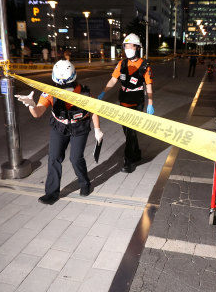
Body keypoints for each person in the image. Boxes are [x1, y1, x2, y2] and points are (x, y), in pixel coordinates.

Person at [15, 60, 103, 205]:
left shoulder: (84, 92)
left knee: (75, 158)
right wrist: (31, 105)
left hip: (79, 127)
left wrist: (98, 130)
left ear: (74, 79)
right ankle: (51, 193)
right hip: (59, 127)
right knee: (54, 158)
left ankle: (85, 183)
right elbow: (38, 113)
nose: (62, 87)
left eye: (66, 85)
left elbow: (94, 111)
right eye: (59, 84)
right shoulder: (50, 92)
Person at [97, 33, 154, 173]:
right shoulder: (122, 64)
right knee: (127, 131)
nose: (128, 48)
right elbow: (113, 80)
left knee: (131, 132)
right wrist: (103, 92)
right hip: (124, 100)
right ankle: (137, 152)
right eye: (126, 46)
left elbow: (148, 85)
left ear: (137, 47)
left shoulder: (144, 65)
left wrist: (150, 103)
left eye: (130, 46)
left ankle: (128, 162)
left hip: (137, 101)